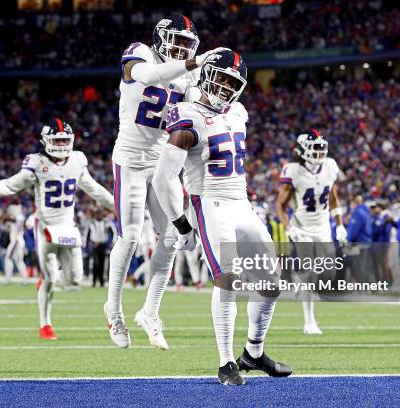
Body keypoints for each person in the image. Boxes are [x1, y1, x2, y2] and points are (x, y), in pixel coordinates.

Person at [153, 49, 291, 385]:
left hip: (241, 202)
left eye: (234, 82)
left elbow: (230, 157)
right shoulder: (187, 114)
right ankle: (226, 361)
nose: (226, 87)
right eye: (222, 78)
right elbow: (162, 178)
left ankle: (253, 354)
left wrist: (243, 186)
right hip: (210, 204)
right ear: (206, 73)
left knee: (270, 285)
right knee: (228, 280)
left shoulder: (239, 112)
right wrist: (180, 223)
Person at [104, 13, 226, 350]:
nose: (183, 49)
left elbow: (200, 112)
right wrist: (195, 61)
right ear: (161, 38)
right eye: (179, 42)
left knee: (173, 236)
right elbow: (151, 74)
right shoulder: (139, 53)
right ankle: (113, 309)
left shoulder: (190, 76)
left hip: (162, 161)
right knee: (129, 237)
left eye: (189, 44)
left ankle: (150, 311)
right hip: (129, 158)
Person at [0, 118, 114, 340]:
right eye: (57, 140)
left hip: (68, 227)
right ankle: (45, 324)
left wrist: (117, 207)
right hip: (45, 227)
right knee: (50, 277)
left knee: (76, 279)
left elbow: (96, 190)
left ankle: (49, 279)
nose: (62, 145)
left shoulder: (78, 160)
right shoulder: (36, 163)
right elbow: (9, 184)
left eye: (65, 140)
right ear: (46, 141)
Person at [275, 129, 347, 335]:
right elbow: (280, 205)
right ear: (302, 150)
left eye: (320, 147)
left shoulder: (330, 166)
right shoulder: (293, 170)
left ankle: (298, 280)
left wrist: (340, 223)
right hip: (302, 227)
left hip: (323, 226)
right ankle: (309, 321)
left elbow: (333, 198)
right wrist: (290, 228)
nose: (319, 152)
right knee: (310, 271)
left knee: (328, 271)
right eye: (314, 148)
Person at [346, 195, 374, 283]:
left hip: (359, 243)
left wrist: (348, 239)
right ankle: (370, 285)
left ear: (355, 202)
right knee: (365, 265)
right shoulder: (366, 212)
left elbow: (354, 230)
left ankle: (363, 287)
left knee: (359, 265)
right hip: (366, 241)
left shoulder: (358, 212)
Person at [88, 207, 115, 287]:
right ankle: (94, 281)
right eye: (96, 213)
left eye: (99, 213)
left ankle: (101, 281)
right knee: (95, 263)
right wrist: (87, 244)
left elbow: (114, 232)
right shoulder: (92, 222)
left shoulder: (107, 222)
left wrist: (112, 243)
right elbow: (87, 234)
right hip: (94, 245)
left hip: (103, 245)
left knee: (102, 264)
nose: (98, 215)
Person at [3, 204, 27, 285]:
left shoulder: (18, 217)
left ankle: (8, 279)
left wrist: (10, 219)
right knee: (19, 261)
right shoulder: (18, 217)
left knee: (8, 259)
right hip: (18, 241)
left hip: (16, 241)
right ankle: (24, 280)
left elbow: (17, 224)